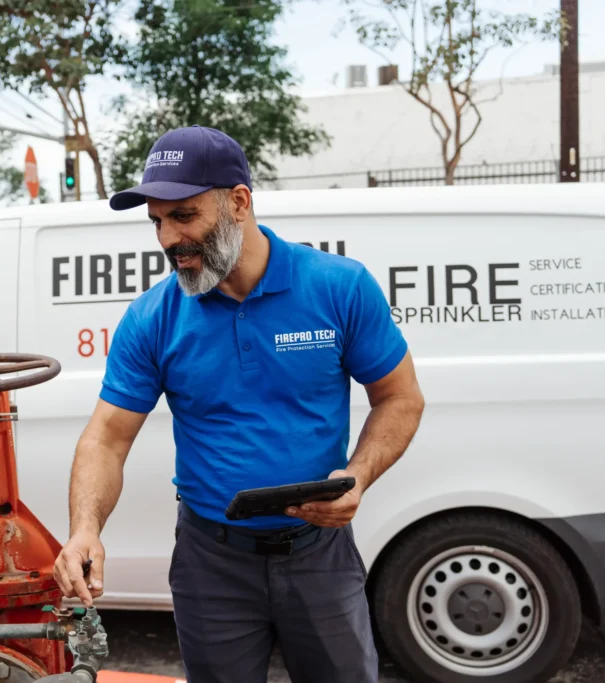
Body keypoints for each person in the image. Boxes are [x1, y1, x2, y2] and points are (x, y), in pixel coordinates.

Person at [53, 125, 425, 683]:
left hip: (319, 555)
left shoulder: (338, 287)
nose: (168, 238)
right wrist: (85, 528)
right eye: (157, 221)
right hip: (211, 564)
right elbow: (106, 437)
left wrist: (358, 476)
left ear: (239, 202)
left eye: (184, 216)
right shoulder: (153, 317)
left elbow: (400, 398)